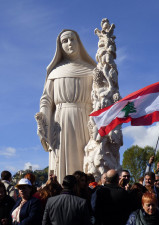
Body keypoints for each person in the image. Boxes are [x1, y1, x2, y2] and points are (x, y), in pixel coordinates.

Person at [36, 29, 96, 183]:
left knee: (86, 157)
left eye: (72, 39)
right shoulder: (55, 72)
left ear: (78, 42)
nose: (69, 43)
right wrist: (43, 116)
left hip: (85, 119)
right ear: (60, 46)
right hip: (61, 121)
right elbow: (46, 99)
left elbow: (101, 97)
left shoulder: (92, 70)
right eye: (65, 41)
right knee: (62, 158)